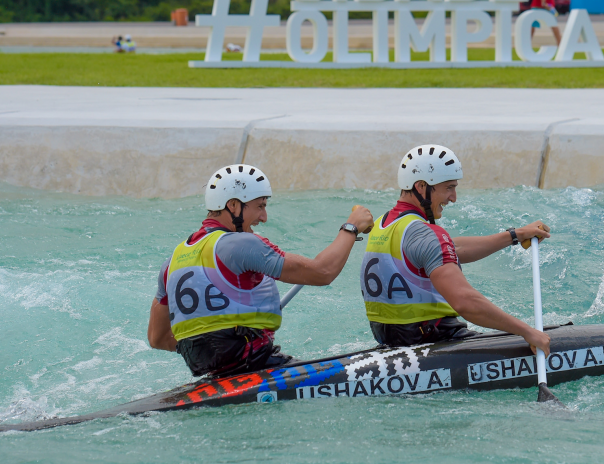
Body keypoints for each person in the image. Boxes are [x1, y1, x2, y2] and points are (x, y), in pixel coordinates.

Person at [147, 164, 374, 377]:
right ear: (233, 205)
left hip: (208, 369)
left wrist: (209, 348)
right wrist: (351, 227)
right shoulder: (241, 244)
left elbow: (156, 338)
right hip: (256, 363)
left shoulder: (172, 261)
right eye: (260, 206)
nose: (264, 217)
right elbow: (323, 272)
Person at [360, 144, 552, 357]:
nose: (453, 197)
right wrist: (527, 332)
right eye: (449, 188)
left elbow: (450, 249)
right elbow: (464, 301)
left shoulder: (383, 225)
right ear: (422, 186)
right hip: (437, 343)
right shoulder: (426, 234)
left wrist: (515, 235)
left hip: (393, 345)